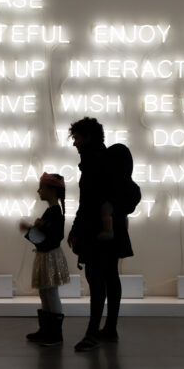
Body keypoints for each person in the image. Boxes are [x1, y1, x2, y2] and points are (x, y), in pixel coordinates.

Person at [67, 117, 134, 352]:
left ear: (86, 137)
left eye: (76, 138)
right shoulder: (104, 160)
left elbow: (87, 202)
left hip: (98, 232)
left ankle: (92, 332)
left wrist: (76, 228)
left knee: (97, 279)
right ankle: (109, 328)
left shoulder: (94, 163)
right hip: (111, 229)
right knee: (110, 276)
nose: (74, 143)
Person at [19, 173, 70, 346]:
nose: (39, 191)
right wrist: (36, 228)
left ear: (52, 190)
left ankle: (54, 334)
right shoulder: (53, 211)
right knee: (45, 291)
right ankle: (47, 330)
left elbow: (55, 236)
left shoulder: (55, 212)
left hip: (49, 256)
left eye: (42, 188)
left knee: (50, 292)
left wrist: (38, 227)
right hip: (46, 255)